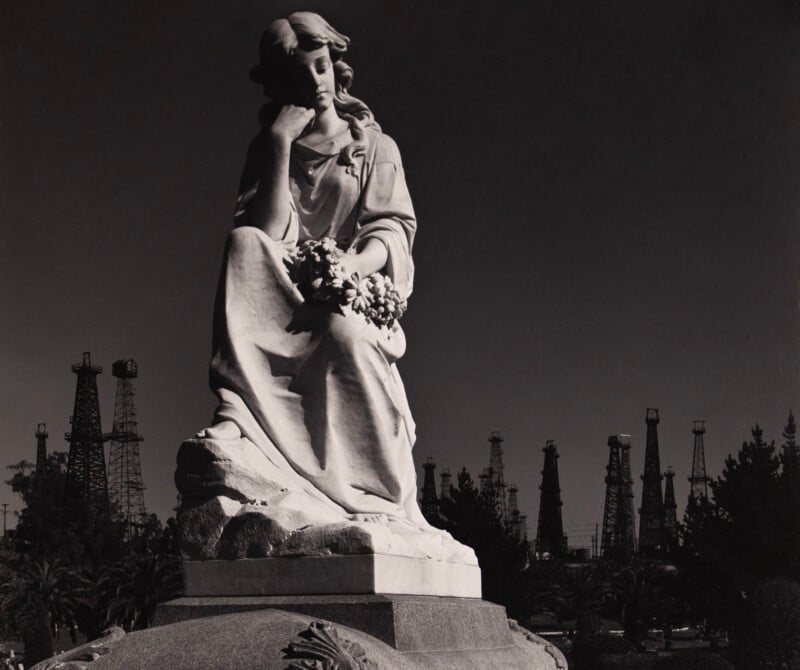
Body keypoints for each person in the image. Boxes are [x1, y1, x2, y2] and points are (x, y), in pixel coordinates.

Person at [190, 12, 433, 534]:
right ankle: (239, 413)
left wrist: (351, 265)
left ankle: (371, 488)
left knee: (341, 332)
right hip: (287, 290)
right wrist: (279, 146)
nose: (317, 83)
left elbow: (390, 230)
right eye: (302, 76)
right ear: (282, 87)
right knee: (241, 242)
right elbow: (269, 233)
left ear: (336, 66)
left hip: (354, 292)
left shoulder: (374, 148)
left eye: (321, 67)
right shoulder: (268, 147)